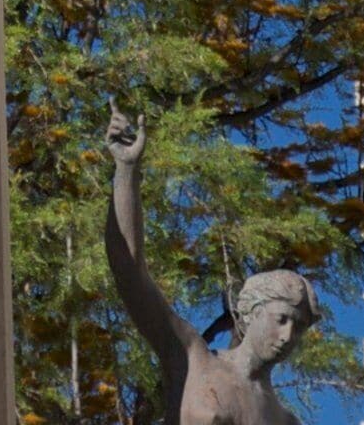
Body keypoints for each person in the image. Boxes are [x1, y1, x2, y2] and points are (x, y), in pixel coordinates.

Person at [102, 108, 315, 425]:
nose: (288, 335)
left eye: (298, 327)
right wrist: (126, 171)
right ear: (251, 312)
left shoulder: (284, 420)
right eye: (282, 319)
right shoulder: (191, 357)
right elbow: (129, 271)